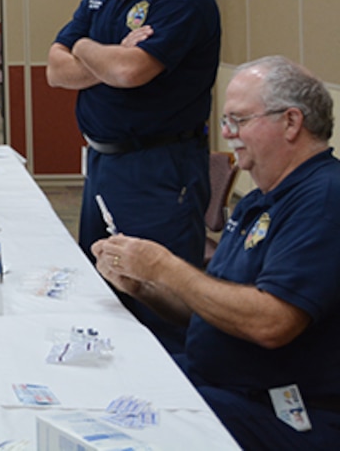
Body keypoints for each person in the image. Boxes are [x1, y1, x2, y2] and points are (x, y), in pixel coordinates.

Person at [93, 56, 340, 449]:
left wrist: (164, 266)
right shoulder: (260, 200)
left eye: (239, 121)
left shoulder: (324, 198)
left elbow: (270, 323)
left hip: (278, 409)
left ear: (292, 122)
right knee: (105, 381)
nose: (228, 135)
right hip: (221, 382)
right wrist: (144, 286)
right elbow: (212, 307)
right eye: (225, 122)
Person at [46, 0, 221, 352]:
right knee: (103, 287)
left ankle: (177, 403)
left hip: (159, 168)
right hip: (103, 164)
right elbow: (53, 71)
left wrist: (83, 47)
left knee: (153, 297)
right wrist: (109, 54)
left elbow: (130, 72)